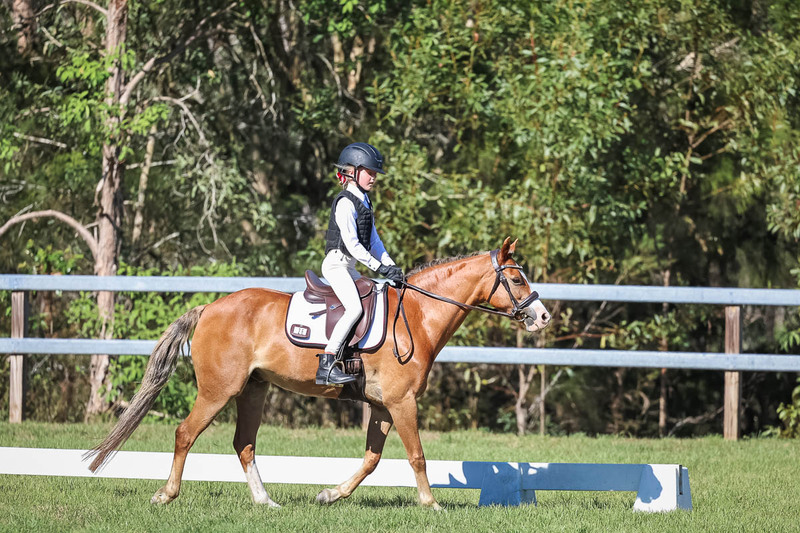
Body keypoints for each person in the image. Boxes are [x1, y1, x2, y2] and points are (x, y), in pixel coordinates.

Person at [316, 142, 404, 386]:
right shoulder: (345, 202)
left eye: (375, 173)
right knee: (354, 308)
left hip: (349, 266)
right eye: (370, 172)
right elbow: (354, 245)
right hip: (336, 265)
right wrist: (379, 268)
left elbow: (374, 241)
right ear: (352, 172)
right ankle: (327, 361)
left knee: (377, 294)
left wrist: (391, 266)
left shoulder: (364, 201)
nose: (374, 178)